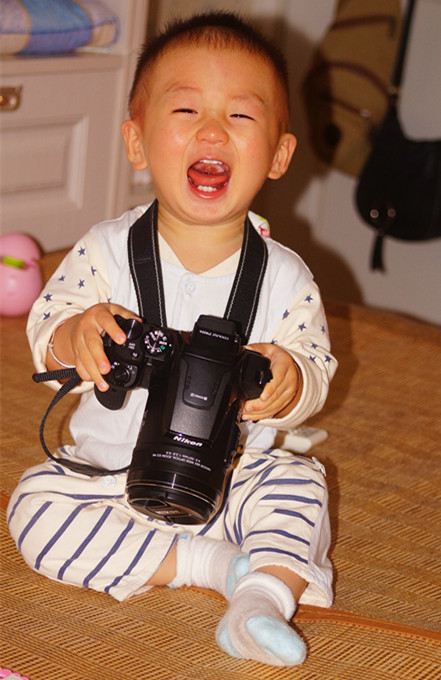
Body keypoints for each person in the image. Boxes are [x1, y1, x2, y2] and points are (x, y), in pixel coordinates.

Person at [7, 12, 337, 667]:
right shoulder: (102, 252)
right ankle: (211, 567)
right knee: (32, 511)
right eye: (185, 109)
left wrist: (289, 382)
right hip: (107, 475)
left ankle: (262, 598)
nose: (212, 130)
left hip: (237, 473)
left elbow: (315, 368)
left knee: (301, 487)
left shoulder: (286, 276)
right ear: (136, 142)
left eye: (240, 117)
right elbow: (45, 340)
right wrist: (76, 336)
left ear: (277, 154)